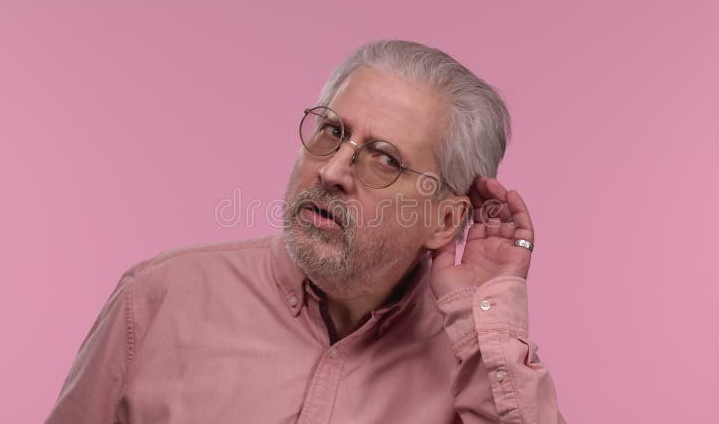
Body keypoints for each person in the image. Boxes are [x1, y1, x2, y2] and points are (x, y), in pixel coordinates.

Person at [45, 40, 566, 423]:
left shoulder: (473, 360)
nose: (333, 171)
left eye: (383, 159)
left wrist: (485, 316)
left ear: (445, 221)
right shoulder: (156, 299)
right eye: (332, 132)